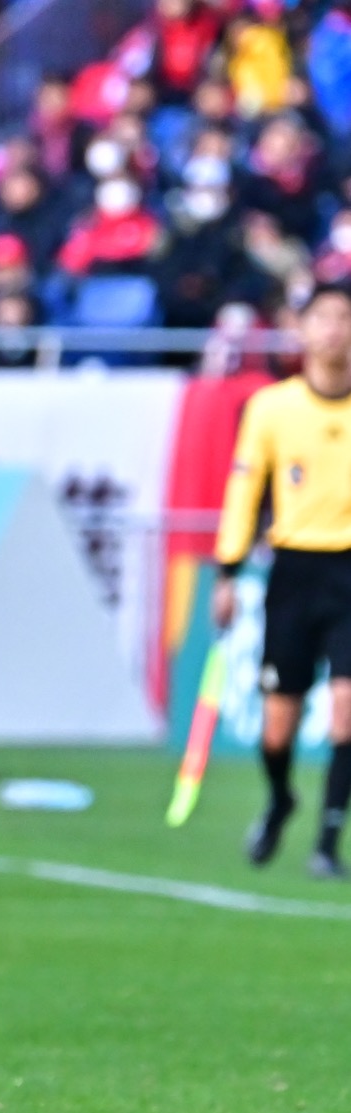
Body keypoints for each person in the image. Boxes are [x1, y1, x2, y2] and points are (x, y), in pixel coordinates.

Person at [213, 282, 351, 877]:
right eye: (324, 318)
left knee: (347, 710)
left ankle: (327, 839)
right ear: (302, 328)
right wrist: (228, 570)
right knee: (279, 722)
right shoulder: (273, 408)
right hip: (294, 571)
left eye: (345, 318)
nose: (334, 330)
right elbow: (245, 490)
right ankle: (280, 799)